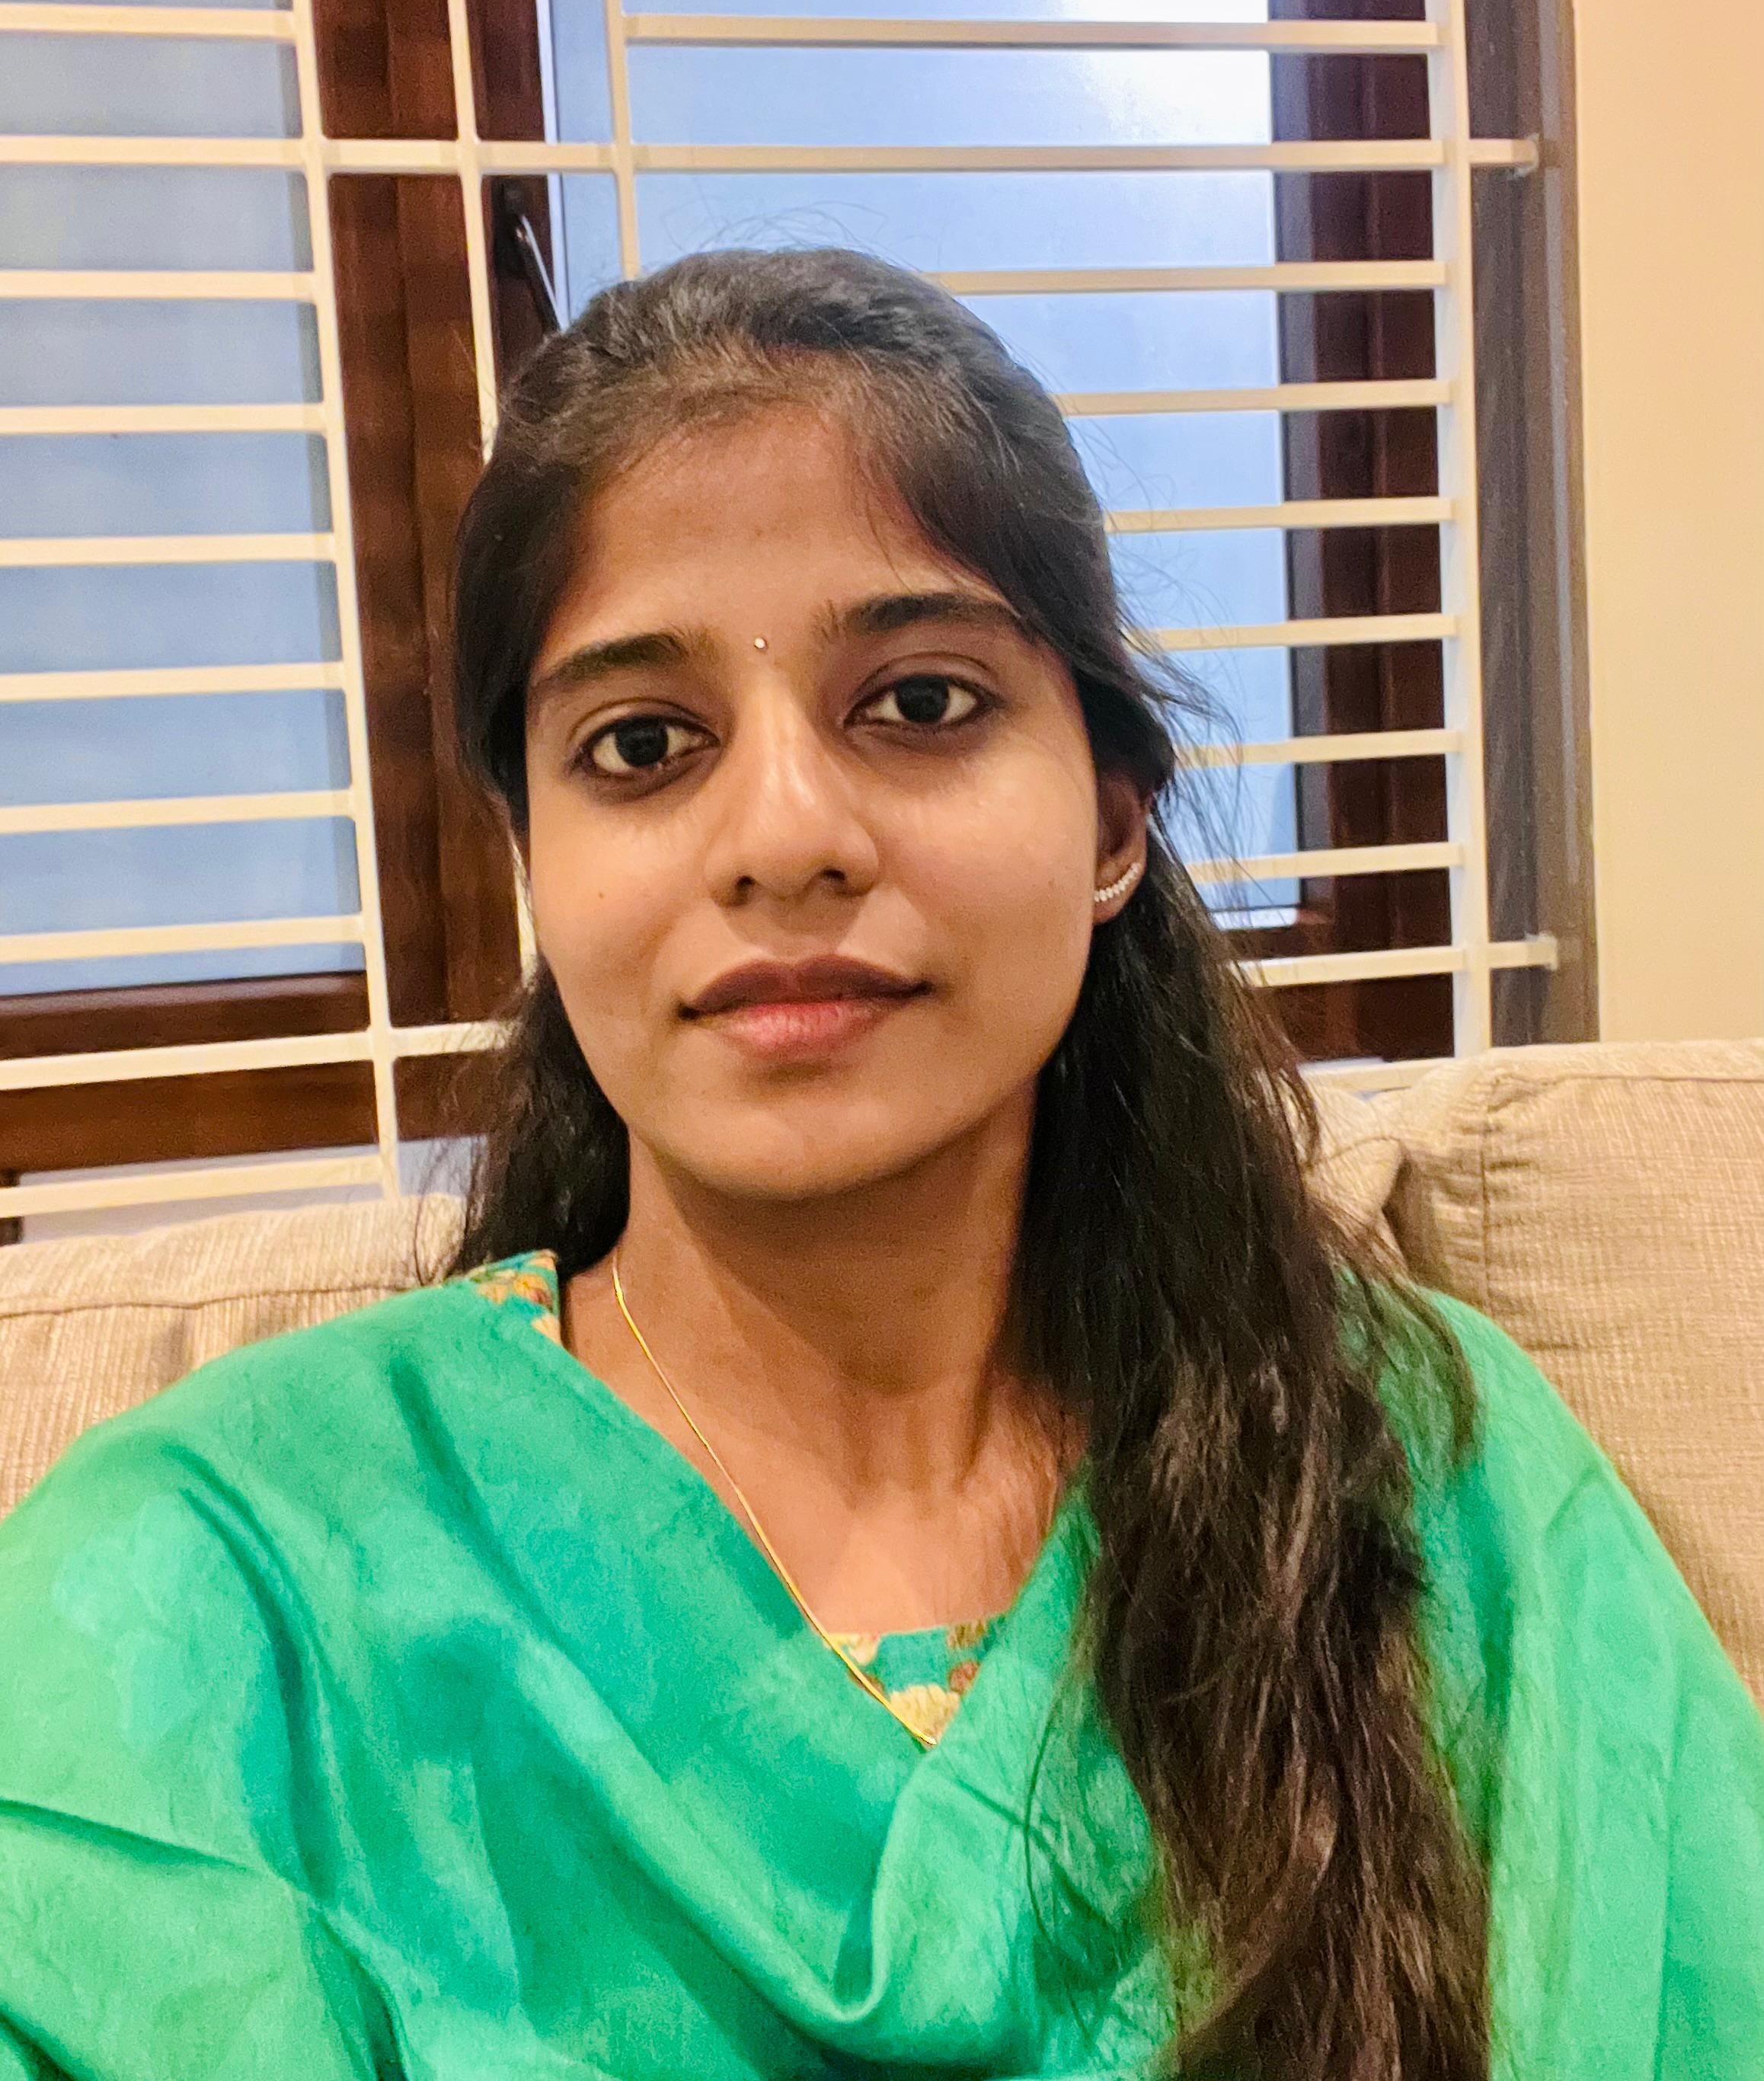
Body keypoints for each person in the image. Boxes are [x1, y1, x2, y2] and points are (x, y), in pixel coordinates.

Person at [0, 249, 1760, 2081]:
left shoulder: (1421, 1479)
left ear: (1112, 818)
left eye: (919, 704)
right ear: (534, 864)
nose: (783, 834)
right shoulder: (225, 1575)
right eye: (643, 744)